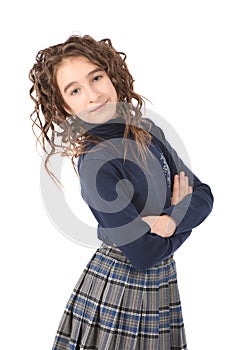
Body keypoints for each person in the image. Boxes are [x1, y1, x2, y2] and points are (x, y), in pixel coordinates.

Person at [29, 34, 214, 350]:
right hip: (122, 284)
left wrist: (168, 221)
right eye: (75, 90)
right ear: (64, 106)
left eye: (96, 77)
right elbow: (142, 253)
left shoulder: (148, 133)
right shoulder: (95, 162)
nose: (93, 94)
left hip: (162, 277)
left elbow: (204, 195)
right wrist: (184, 215)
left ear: (111, 76)